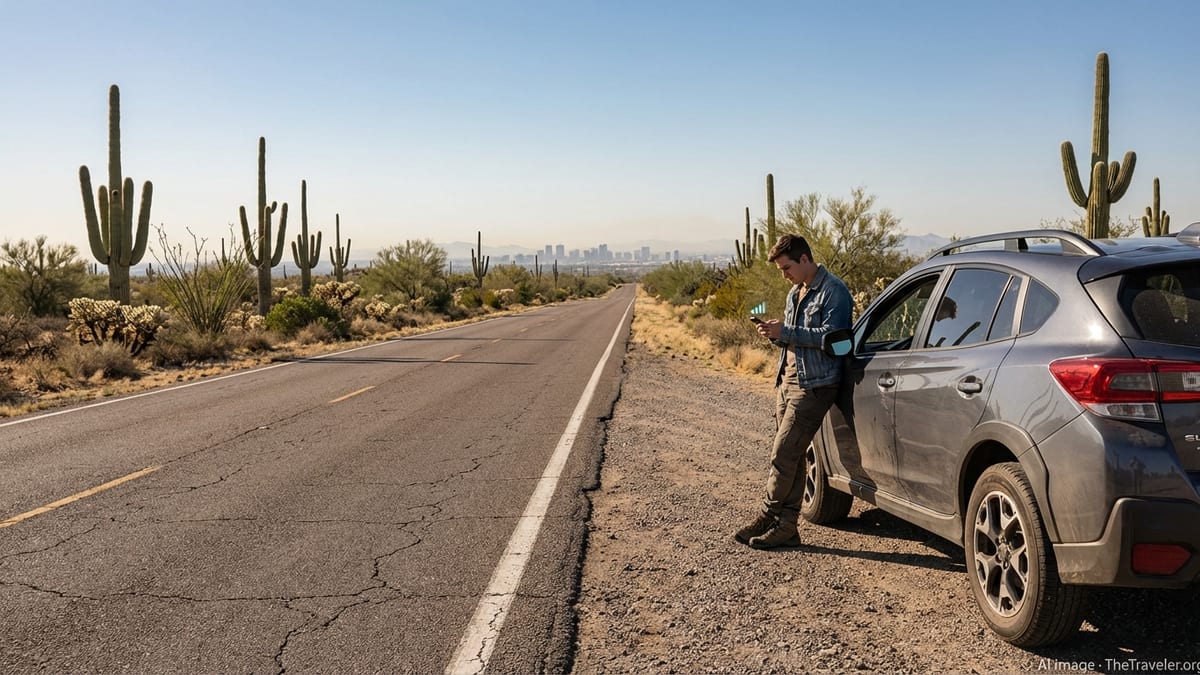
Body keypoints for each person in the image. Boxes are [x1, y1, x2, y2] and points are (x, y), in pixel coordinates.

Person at [734, 234, 853, 549]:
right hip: (786, 381)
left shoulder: (834, 291)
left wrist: (786, 331)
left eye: (786, 268)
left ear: (804, 259)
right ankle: (787, 527)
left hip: (816, 384)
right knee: (794, 454)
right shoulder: (793, 294)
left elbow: (833, 338)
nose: (784, 275)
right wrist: (775, 335)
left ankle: (768, 515)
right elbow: (796, 339)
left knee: (783, 452)